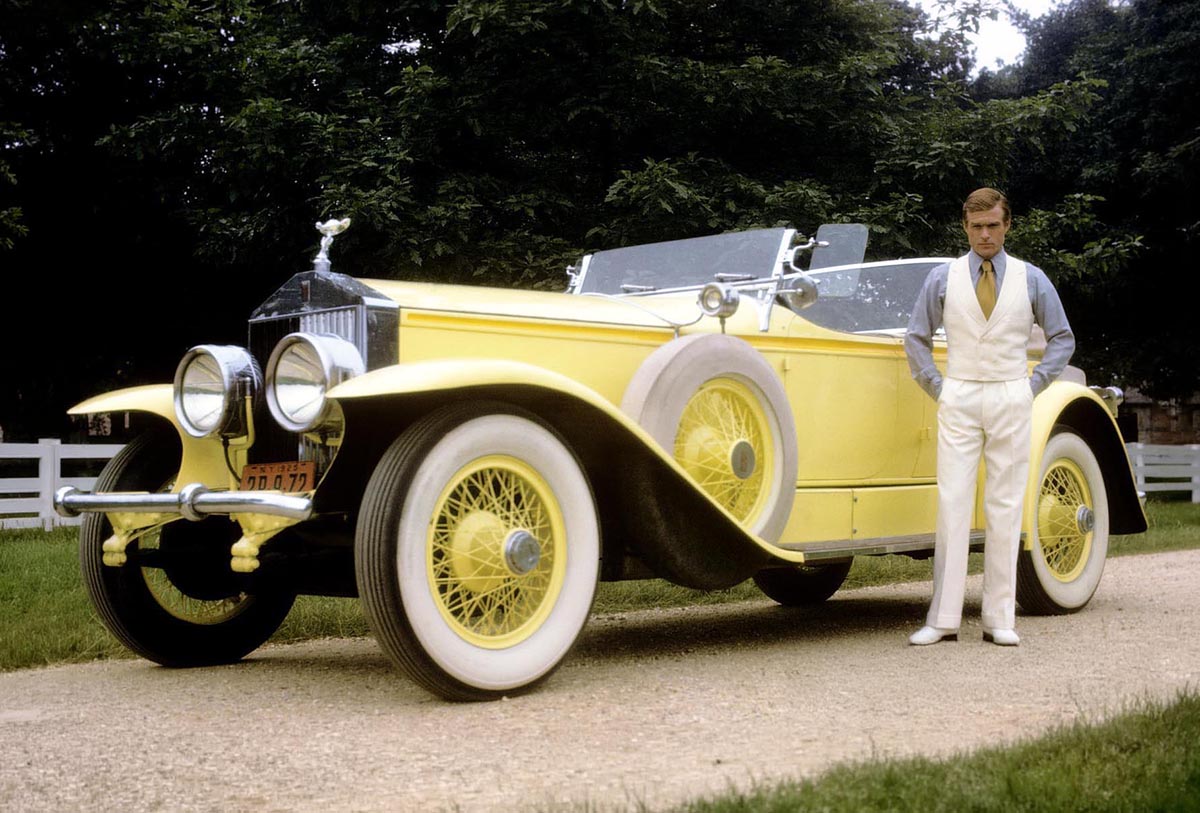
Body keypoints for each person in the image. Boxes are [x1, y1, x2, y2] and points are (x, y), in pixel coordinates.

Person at [904, 187, 1075, 647]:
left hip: (1011, 394)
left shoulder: (1031, 278)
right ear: (965, 227)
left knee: (1005, 504)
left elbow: (1062, 337)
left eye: (993, 226)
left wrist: (1032, 386)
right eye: (977, 226)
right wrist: (938, 387)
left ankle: (999, 618)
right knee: (952, 503)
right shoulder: (942, 278)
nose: (985, 235)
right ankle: (943, 618)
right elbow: (916, 337)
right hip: (958, 394)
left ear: (1007, 225)